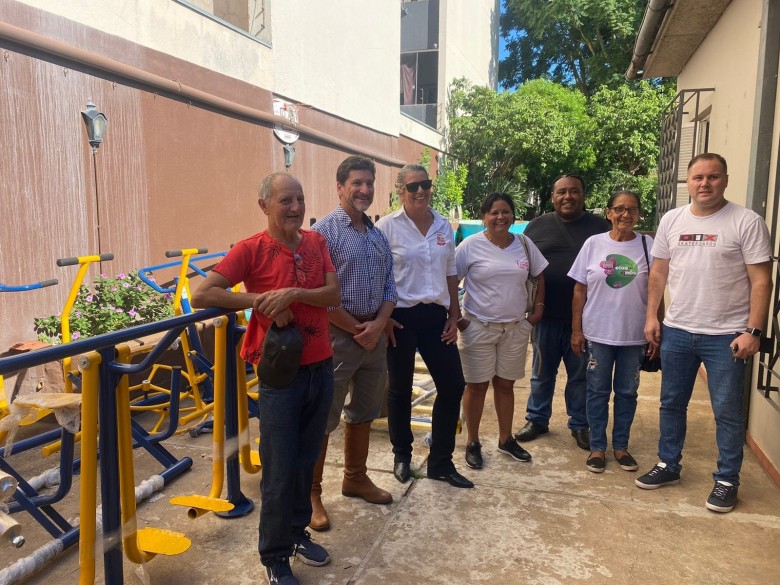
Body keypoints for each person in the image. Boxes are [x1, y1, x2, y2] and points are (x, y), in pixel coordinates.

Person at [192, 172, 341, 585]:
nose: (295, 208)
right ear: (264, 206)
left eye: (300, 199)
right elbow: (202, 295)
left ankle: (296, 533)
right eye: (285, 201)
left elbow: (333, 295)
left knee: (305, 461)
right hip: (280, 375)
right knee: (278, 468)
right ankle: (274, 556)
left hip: (321, 366)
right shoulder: (250, 249)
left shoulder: (316, 242)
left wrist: (294, 293)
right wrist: (260, 300)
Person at [636, 153, 772, 513]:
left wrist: (753, 330)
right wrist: (652, 316)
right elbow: (658, 274)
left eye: (713, 177)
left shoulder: (746, 221)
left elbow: (762, 281)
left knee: (727, 411)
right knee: (671, 403)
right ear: (688, 182)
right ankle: (668, 464)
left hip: (726, 335)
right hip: (678, 330)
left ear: (725, 180)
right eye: (698, 177)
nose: (705, 184)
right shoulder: (672, 220)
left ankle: (727, 480)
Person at [309, 156, 396, 531]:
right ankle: (311, 493)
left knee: (364, 410)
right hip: (337, 337)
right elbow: (319, 294)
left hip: (373, 337)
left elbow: (390, 286)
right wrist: (358, 328)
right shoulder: (324, 234)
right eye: (357, 183)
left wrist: (378, 324)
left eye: (369, 183)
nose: (364, 189)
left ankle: (355, 478)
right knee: (323, 416)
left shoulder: (376, 234)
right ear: (340, 187)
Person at [375, 163, 473, 489]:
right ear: (400, 191)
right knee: (400, 388)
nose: (420, 191)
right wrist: (383, 317)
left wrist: (454, 315)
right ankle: (401, 454)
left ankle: (440, 462)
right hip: (400, 318)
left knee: (453, 385)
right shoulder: (387, 227)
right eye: (412, 186)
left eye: (425, 184)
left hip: (435, 318)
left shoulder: (443, 224)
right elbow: (378, 275)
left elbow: (451, 274)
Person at [515, 174, 610, 450]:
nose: (568, 197)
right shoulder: (537, 226)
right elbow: (522, 265)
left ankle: (580, 423)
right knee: (541, 372)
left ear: (583, 195)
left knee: (580, 376)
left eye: (574, 191)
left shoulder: (600, 227)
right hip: (545, 316)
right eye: (561, 192)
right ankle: (537, 419)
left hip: (585, 319)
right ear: (553, 197)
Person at [455, 193, 547, 469]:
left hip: (515, 328)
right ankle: (473, 442)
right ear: (484, 216)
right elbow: (449, 281)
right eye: (494, 212)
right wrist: (458, 319)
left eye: (505, 211)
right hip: (478, 327)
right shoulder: (470, 246)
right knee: (477, 386)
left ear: (513, 215)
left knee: (505, 385)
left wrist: (537, 312)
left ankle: (506, 439)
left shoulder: (523, 243)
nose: (500, 217)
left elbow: (539, 275)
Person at [569, 190, 653, 473]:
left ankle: (621, 447)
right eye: (619, 209)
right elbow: (579, 290)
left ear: (638, 214)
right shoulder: (593, 244)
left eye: (632, 210)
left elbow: (656, 291)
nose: (625, 215)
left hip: (634, 335)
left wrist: (656, 327)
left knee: (627, 392)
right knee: (597, 391)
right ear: (608, 213)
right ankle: (597, 448)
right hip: (598, 333)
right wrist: (576, 330)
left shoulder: (648, 245)